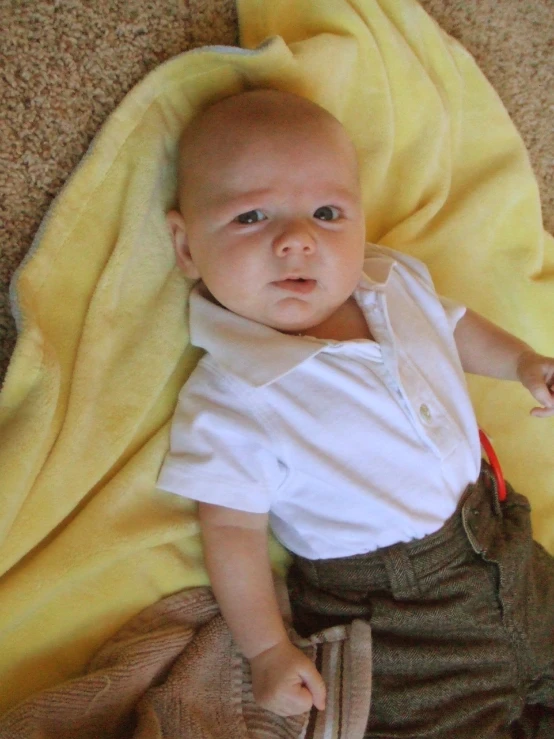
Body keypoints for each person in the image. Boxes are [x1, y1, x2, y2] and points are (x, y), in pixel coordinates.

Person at [156, 88, 554, 737]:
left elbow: (451, 327)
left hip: (502, 541)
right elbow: (230, 528)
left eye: (327, 211)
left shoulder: (389, 279)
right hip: (395, 616)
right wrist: (266, 648)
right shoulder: (232, 394)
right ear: (186, 245)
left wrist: (522, 362)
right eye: (252, 215)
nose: (296, 239)